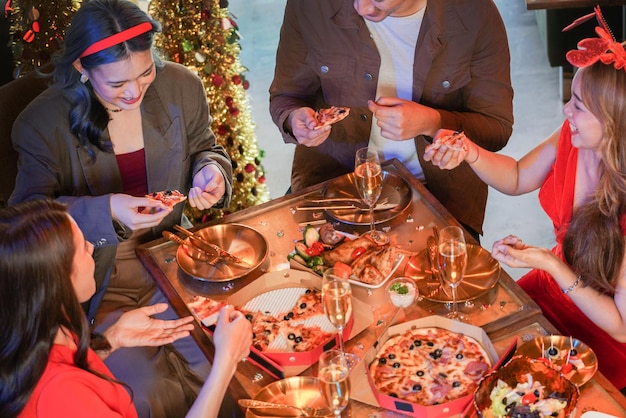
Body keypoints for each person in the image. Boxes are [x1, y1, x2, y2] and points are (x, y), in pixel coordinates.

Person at [8, 0, 233, 416]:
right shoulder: (41, 124)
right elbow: (25, 220)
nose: (135, 92)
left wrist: (211, 173)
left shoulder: (181, 86)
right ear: (82, 68)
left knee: (226, 364)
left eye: (145, 73)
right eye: (116, 84)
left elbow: (207, 148)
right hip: (97, 278)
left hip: (173, 259)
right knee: (148, 392)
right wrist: (107, 209)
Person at [423, 10, 626, 391]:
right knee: (465, 358)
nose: (566, 111)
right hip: (551, 291)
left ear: (614, 121)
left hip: (600, 337)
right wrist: (469, 151)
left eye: (579, 105)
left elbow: (620, 326)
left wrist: (549, 262)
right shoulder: (571, 135)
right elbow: (517, 176)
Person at [269, 0, 514, 240]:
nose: (362, 8)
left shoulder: (474, 12)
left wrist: (431, 121)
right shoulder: (311, 6)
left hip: (435, 192)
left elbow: (496, 127)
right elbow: (286, 96)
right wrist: (294, 119)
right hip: (334, 184)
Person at [0, 200, 252, 418]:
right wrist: (226, 361)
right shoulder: (61, 396)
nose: (92, 247)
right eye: (82, 247)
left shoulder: (48, 327)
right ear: (57, 280)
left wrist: (110, 340)